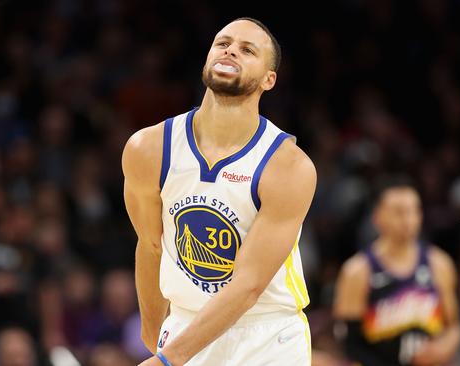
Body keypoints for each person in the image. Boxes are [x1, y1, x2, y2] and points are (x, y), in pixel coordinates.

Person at [122, 17, 317, 366]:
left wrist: (168, 361)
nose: (230, 50)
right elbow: (150, 247)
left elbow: (249, 285)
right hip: (184, 322)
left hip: (267, 336)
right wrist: (155, 342)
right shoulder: (148, 148)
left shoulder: (288, 166)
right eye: (223, 43)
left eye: (247, 50)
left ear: (268, 80)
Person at [333, 183, 460, 365]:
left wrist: (444, 348)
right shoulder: (357, 271)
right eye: (399, 212)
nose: (408, 220)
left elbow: (454, 327)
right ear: (377, 217)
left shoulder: (439, 264)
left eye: (414, 211)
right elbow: (349, 343)